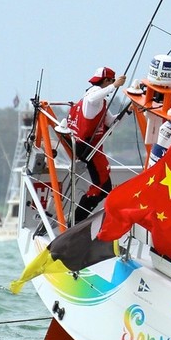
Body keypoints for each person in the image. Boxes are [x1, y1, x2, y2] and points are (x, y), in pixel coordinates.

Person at [66, 66, 127, 223]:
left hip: (93, 147)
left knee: (103, 186)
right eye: (112, 81)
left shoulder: (101, 102)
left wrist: (129, 110)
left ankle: (77, 219)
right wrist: (115, 86)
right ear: (106, 81)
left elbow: (111, 123)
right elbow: (93, 98)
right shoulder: (92, 96)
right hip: (87, 148)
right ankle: (76, 221)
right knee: (103, 187)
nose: (114, 84)